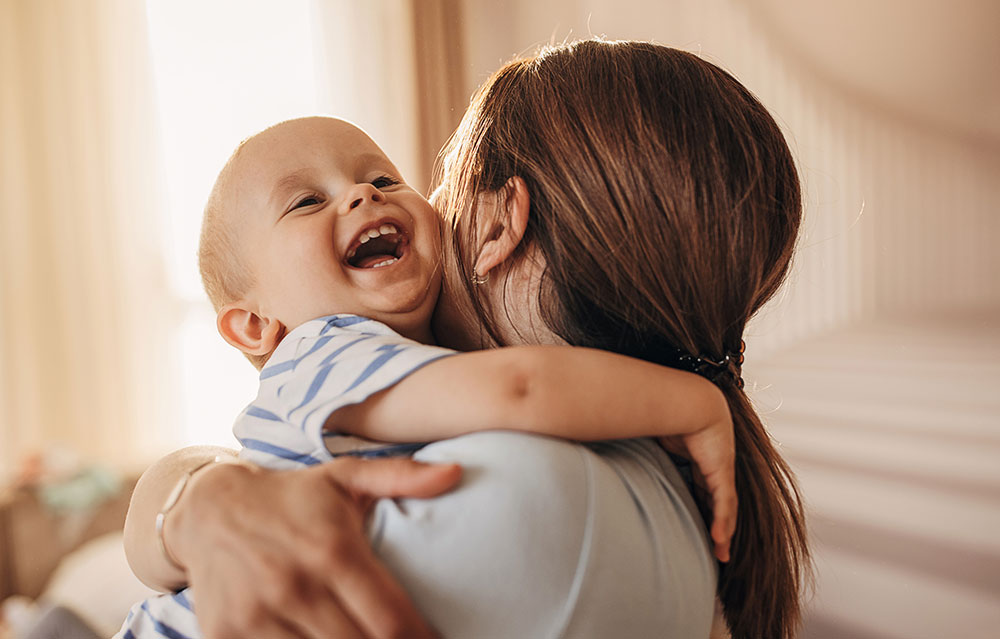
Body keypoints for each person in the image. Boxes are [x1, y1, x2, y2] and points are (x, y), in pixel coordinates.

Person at [122, 39, 809, 639]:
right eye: (307, 201)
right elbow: (519, 390)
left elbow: (524, 391)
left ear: (499, 224)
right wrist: (192, 496)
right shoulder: (328, 347)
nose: (365, 198)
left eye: (389, 179)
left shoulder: (535, 493)